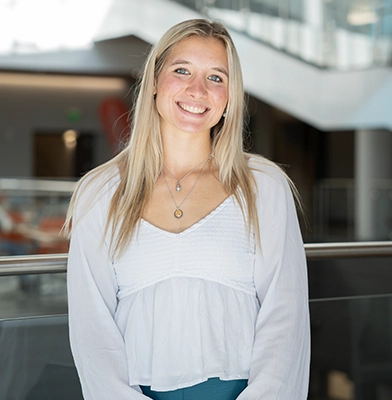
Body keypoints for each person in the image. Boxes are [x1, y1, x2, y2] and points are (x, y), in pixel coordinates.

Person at [65, 19, 310, 400]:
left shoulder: (264, 186)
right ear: (154, 83)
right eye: (182, 71)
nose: (198, 90)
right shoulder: (100, 192)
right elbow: (90, 327)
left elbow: (286, 318)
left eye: (216, 77)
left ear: (230, 97)